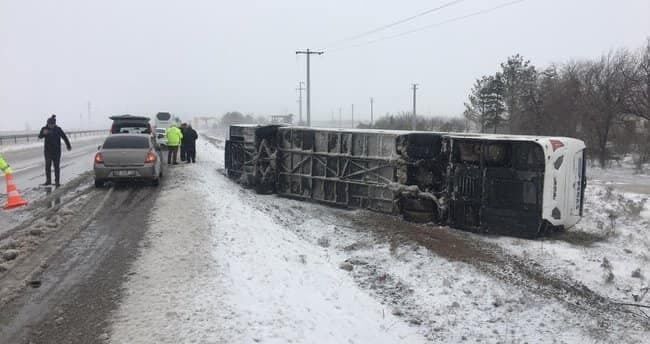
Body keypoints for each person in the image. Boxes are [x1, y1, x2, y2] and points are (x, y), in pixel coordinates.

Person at [38, 115, 71, 187]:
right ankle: (48, 181)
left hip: (57, 151)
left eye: (52, 124)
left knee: (56, 167)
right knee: (47, 166)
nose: (51, 126)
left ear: (54, 124)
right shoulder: (44, 129)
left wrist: (68, 145)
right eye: (50, 124)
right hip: (47, 151)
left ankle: (57, 181)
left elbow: (64, 137)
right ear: (48, 123)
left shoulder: (58, 129)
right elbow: (40, 136)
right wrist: (43, 133)